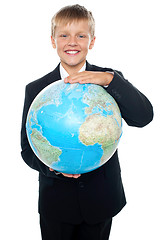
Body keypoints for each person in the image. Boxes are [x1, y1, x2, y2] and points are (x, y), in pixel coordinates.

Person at [21, 4, 153, 240]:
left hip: (100, 202)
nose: (72, 42)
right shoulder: (36, 90)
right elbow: (27, 149)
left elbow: (144, 117)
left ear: (91, 42)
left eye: (81, 35)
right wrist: (52, 166)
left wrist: (108, 80)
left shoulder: (107, 80)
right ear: (53, 41)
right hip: (56, 206)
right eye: (64, 35)